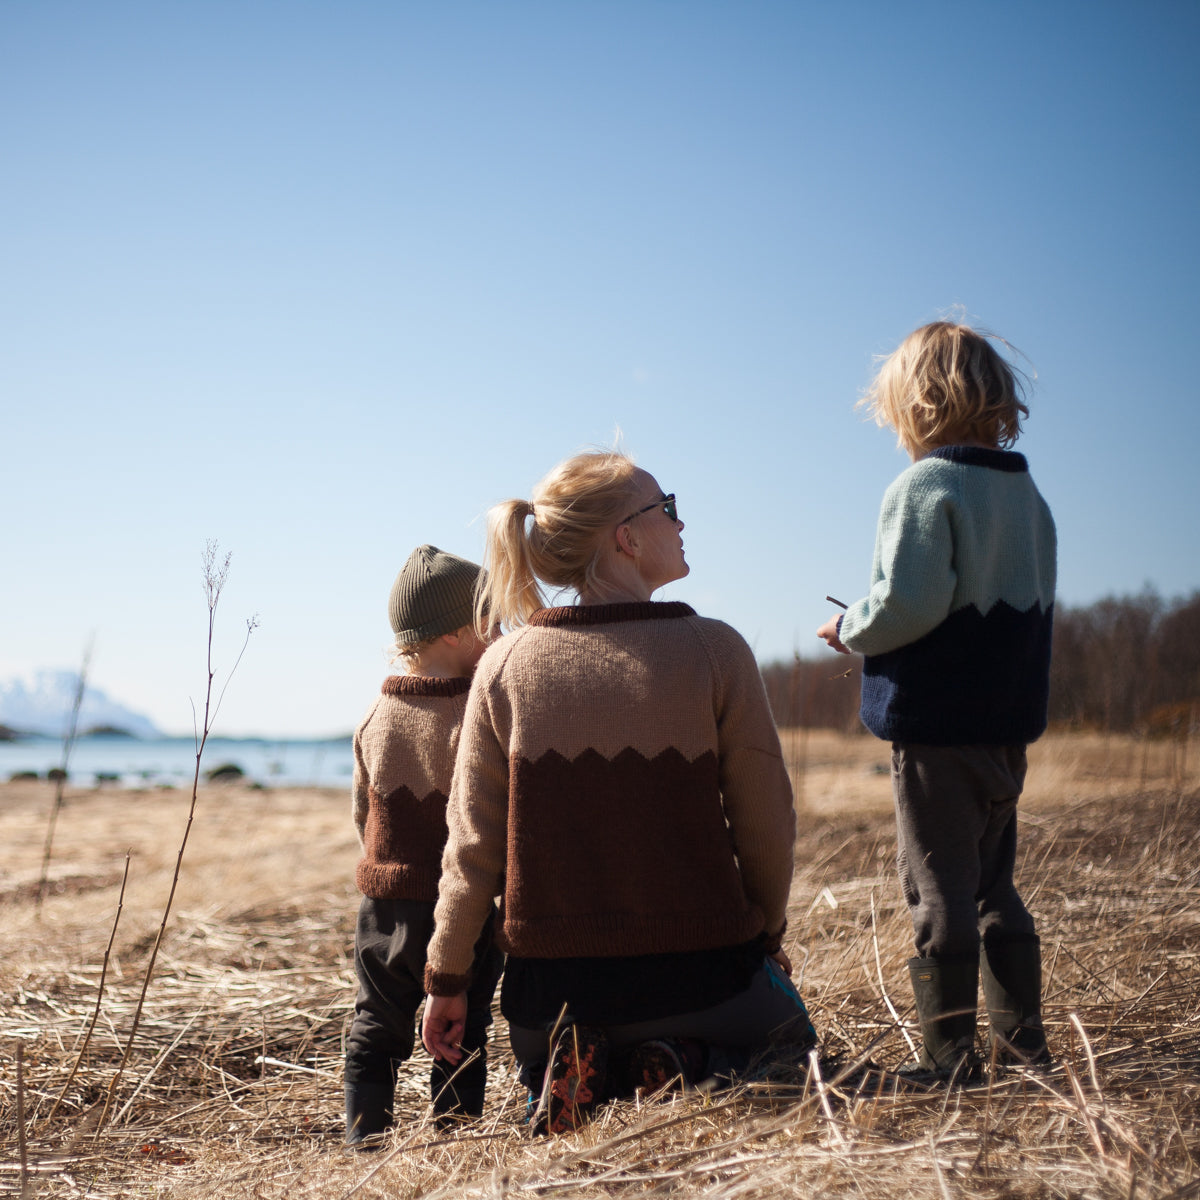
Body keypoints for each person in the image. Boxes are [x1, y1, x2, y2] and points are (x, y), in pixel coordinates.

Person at [420, 451, 816, 1136]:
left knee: (553, 1062)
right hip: (708, 981)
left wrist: (446, 979)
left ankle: (571, 1074)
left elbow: (472, 850)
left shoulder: (503, 667)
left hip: (553, 1006)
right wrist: (766, 931)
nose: (681, 520)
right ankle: (686, 1059)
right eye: (666, 507)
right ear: (625, 539)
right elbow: (766, 822)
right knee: (796, 1050)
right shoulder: (715, 652)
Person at [818, 320, 1056, 1080]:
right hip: (1004, 728)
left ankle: (950, 1059)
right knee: (994, 886)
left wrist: (851, 625)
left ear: (915, 406)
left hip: (937, 728)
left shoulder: (925, 487)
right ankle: (1025, 1049)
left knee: (936, 887)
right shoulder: (1025, 493)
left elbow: (910, 605)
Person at [344, 545, 503, 1145]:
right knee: (461, 1031)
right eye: (493, 620)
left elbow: (364, 813)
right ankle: (454, 1140)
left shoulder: (375, 715)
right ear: (461, 632)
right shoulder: (478, 712)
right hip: (459, 907)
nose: (502, 633)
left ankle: (366, 1144)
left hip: (384, 908)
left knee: (373, 1030)